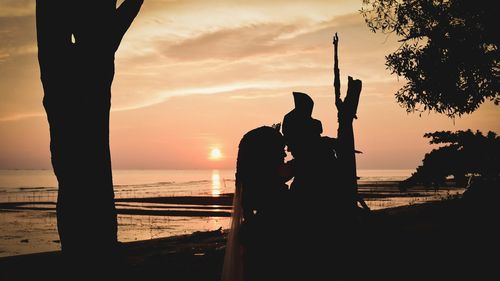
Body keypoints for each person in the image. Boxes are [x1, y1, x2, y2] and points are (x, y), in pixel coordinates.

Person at [221, 126, 291, 281]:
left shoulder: (262, 186)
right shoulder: (271, 188)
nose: (285, 153)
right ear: (268, 154)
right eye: (281, 149)